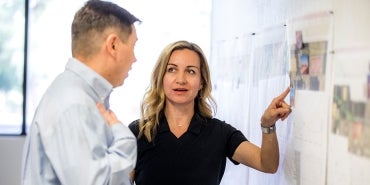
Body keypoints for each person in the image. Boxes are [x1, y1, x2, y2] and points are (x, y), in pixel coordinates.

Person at [99, 40, 292, 185]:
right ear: (161, 78)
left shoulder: (220, 133)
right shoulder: (138, 132)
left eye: (191, 71)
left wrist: (268, 125)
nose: (181, 79)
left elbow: (267, 164)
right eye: (172, 70)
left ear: (201, 82)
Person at [21, 0, 141, 184]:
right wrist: (125, 142)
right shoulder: (75, 105)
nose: (135, 59)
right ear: (113, 45)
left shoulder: (77, 95)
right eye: (133, 46)